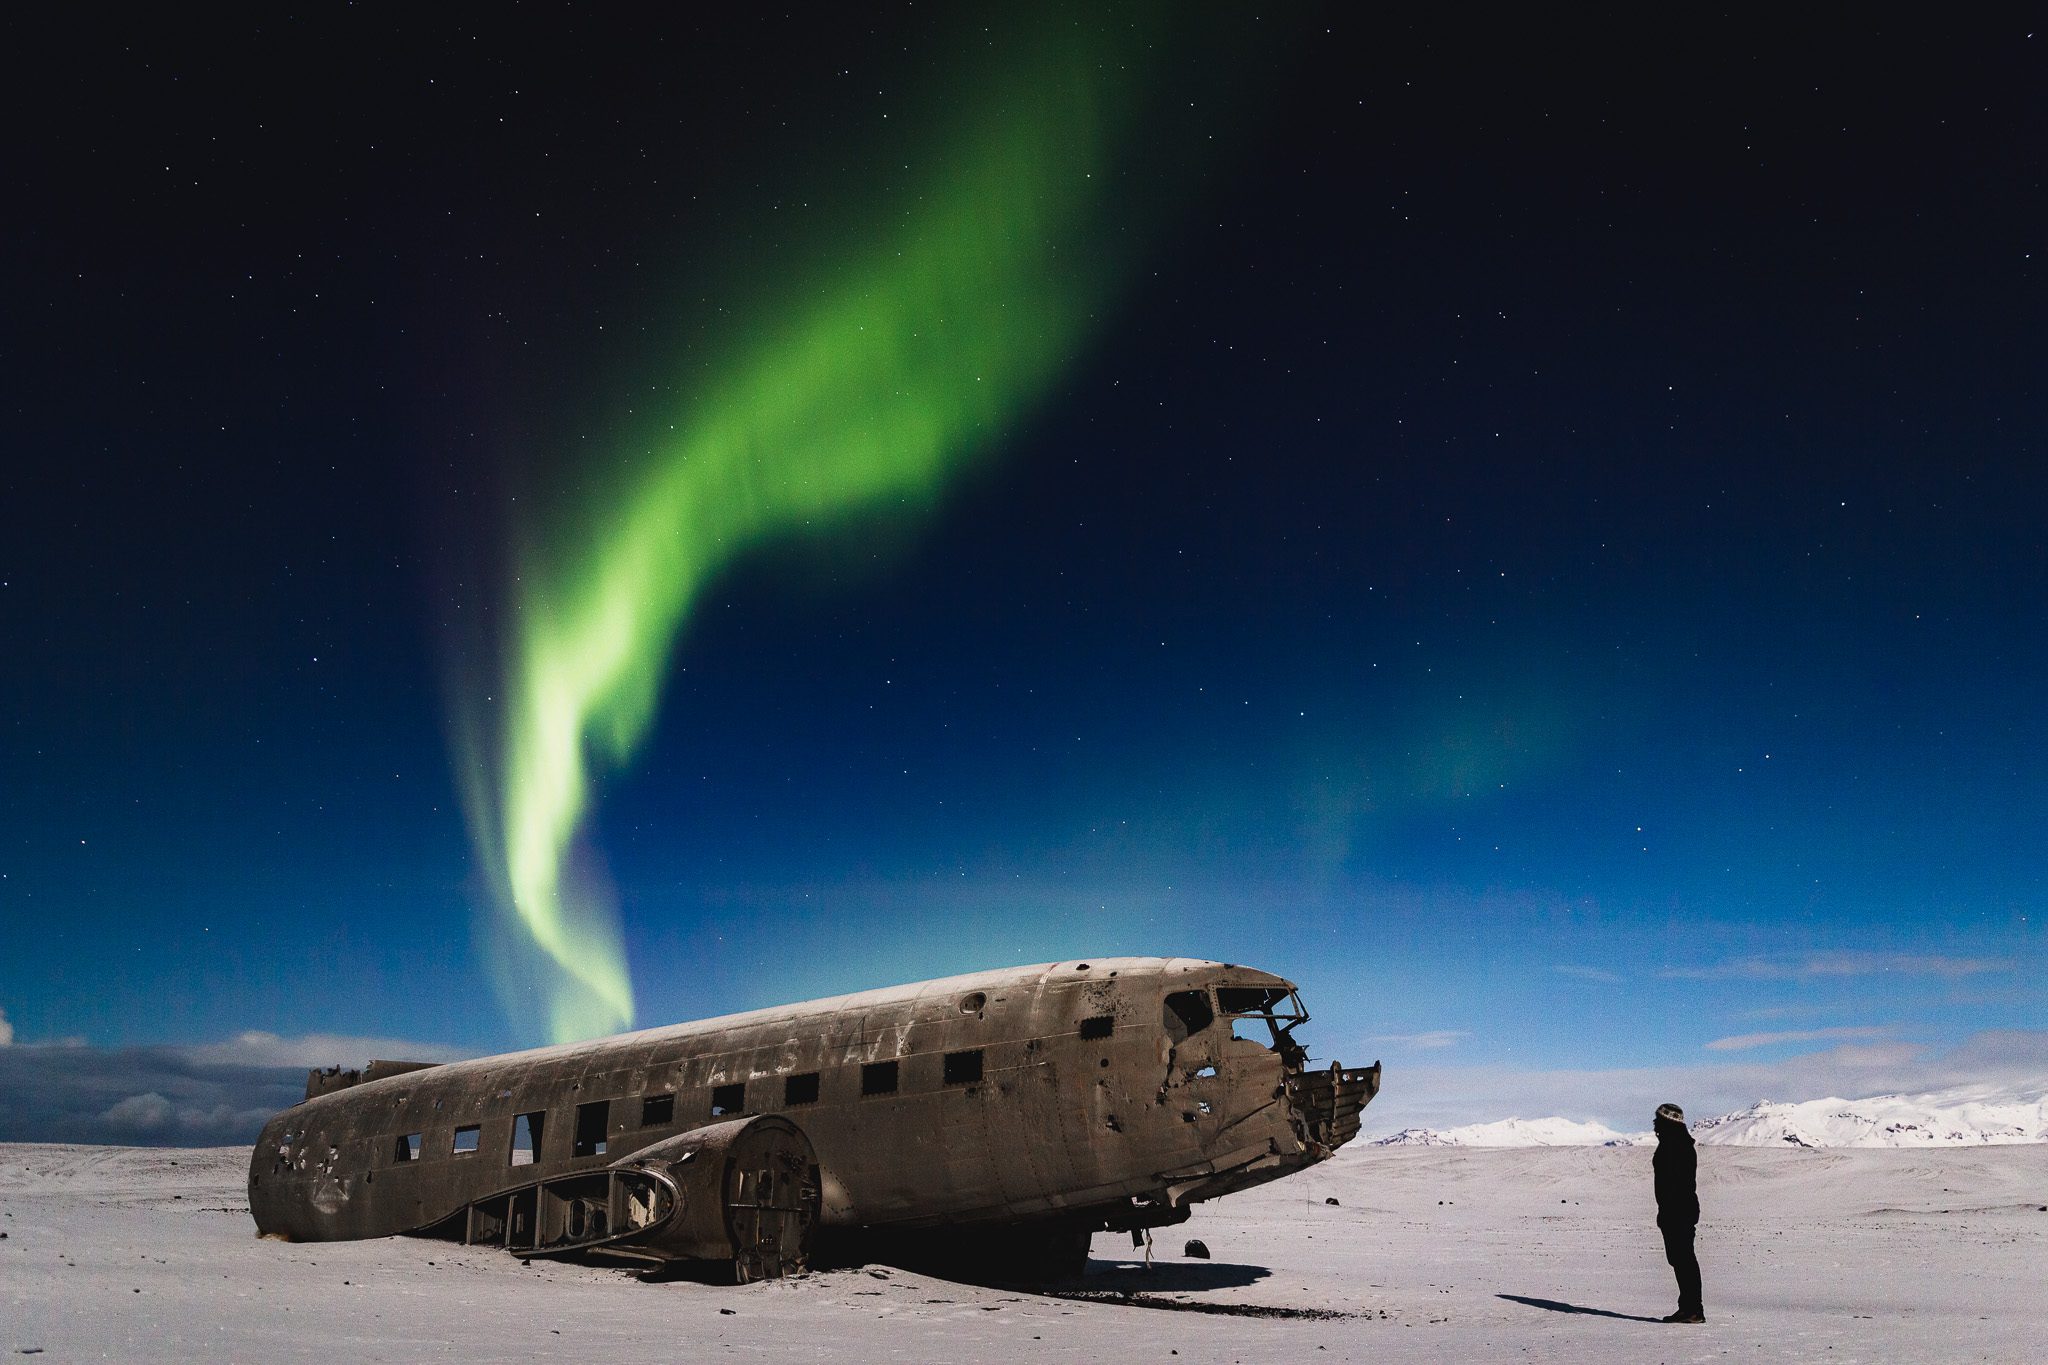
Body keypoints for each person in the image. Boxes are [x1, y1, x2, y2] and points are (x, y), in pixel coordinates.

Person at [1652, 1101, 1705, 1322]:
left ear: (1667, 1122)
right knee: (1679, 1258)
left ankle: (1693, 1309)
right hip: (1676, 1210)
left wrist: (1670, 1211)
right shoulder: (1675, 1144)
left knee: (1683, 1258)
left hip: (1678, 1210)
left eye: (1658, 1120)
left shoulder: (1675, 1146)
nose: (1654, 1124)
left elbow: (1676, 1183)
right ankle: (1689, 1308)